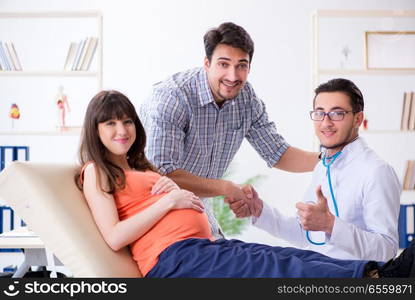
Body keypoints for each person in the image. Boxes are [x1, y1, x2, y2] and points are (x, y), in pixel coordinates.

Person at [74, 90, 415, 278]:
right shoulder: (97, 170)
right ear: (96, 130)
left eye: (127, 121)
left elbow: (306, 237)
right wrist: (170, 201)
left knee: (280, 257)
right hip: (176, 260)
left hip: (201, 249)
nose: (122, 130)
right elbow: (115, 235)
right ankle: (379, 279)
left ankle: (379, 275)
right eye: (111, 124)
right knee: (273, 267)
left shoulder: (138, 167)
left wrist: (175, 193)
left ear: (358, 119)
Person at [139, 22, 319, 238]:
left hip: (199, 211)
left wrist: (331, 160)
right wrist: (225, 188)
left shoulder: (246, 98)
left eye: (241, 65)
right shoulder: (172, 98)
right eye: (224, 64)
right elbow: (161, 175)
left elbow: (277, 153)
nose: (233, 76)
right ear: (207, 63)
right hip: (155, 213)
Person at [230, 79, 401, 262]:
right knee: (245, 256)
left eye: (337, 113)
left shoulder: (377, 171)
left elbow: (387, 250)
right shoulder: (324, 166)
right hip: (316, 268)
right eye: (320, 113)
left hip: (351, 275)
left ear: (358, 119)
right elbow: (306, 236)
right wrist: (260, 211)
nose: (326, 123)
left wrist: (330, 225)